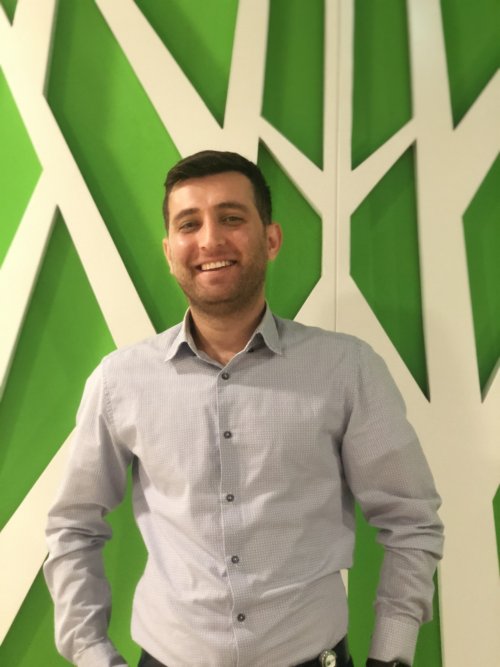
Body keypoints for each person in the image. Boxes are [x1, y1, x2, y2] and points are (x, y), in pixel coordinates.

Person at [44, 150, 444, 667]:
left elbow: (411, 520)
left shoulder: (346, 369)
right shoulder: (120, 381)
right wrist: (91, 653)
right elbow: (73, 526)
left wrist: (391, 656)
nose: (210, 239)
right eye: (189, 224)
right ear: (169, 251)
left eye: (231, 218)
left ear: (270, 239)